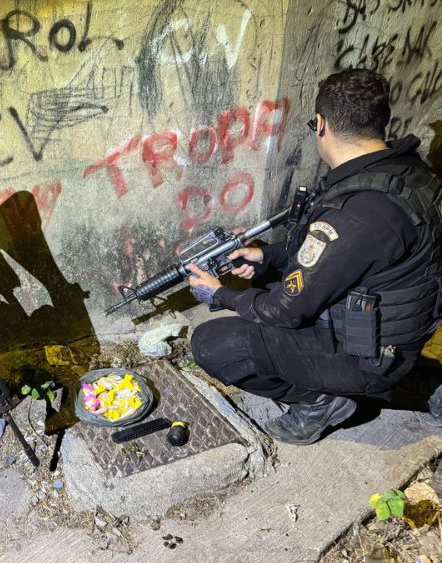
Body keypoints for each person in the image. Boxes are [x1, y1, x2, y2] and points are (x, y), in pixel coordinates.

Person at [187, 68, 442, 446]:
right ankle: (426, 385)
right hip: (399, 331)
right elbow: (350, 262)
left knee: (211, 344)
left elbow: (286, 311)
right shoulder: (410, 173)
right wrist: (268, 255)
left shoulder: (358, 211)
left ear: (321, 124)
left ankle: (319, 402)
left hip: (367, 354)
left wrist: (220, 293)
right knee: (271, 286)